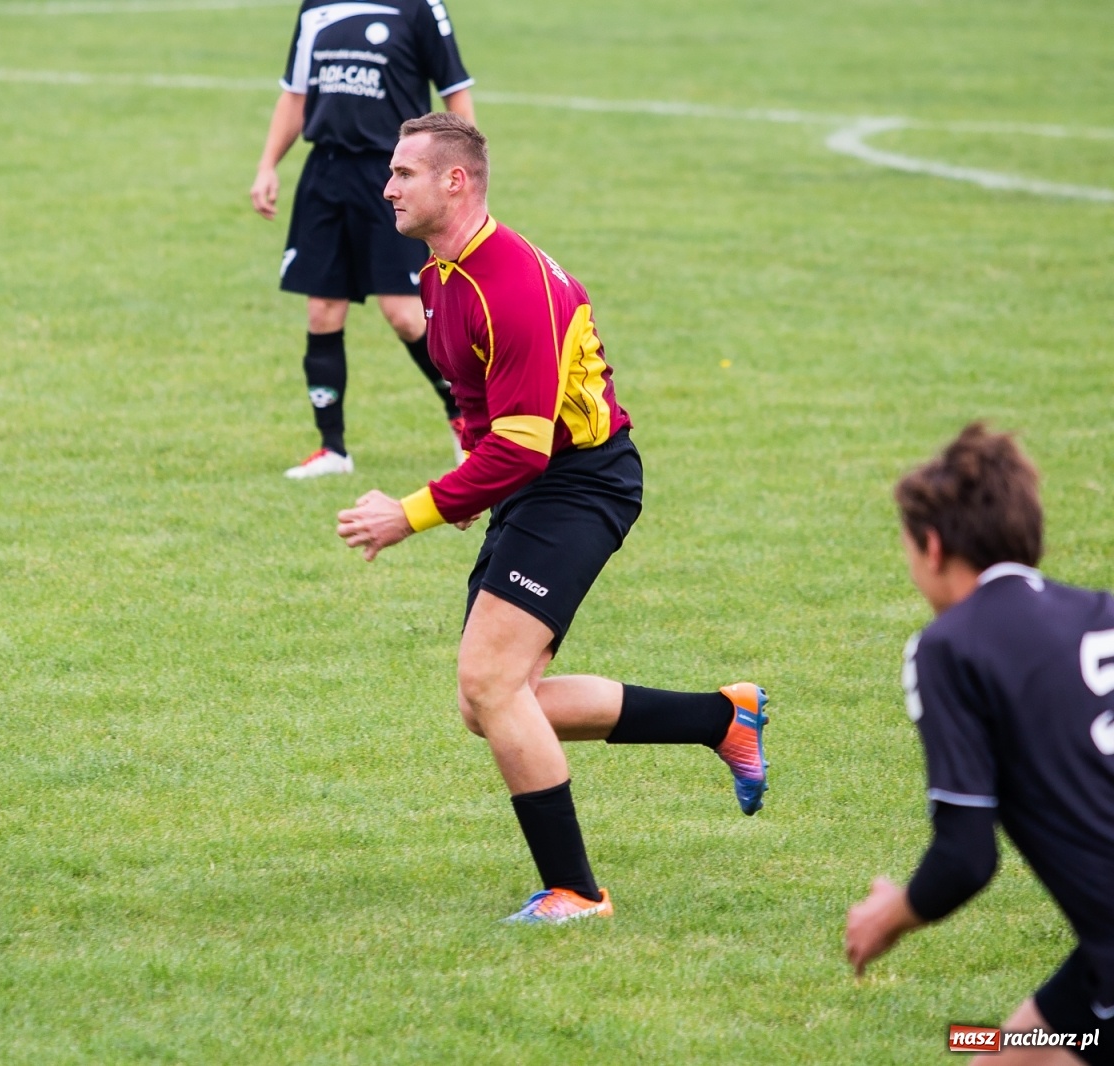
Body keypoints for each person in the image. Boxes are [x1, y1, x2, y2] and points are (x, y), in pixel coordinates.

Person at [335, 112, 772, 923]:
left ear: (454, 182)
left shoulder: (512, 284)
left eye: (404, 173)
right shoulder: (439, 275)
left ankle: (576, 892)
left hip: (582, 484)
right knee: (488, 703)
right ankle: (723, 716)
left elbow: (527, 451)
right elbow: (475, 401)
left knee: (491, 683)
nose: (387, 185)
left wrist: (414, 512)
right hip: (533, 483)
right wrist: (469, 479)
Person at [846, 424, 1114, 1066]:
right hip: (1099, 957)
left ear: (932, 547)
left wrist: (890, 916)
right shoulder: (1101, 610)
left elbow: (966, 857)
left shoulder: (950, 649)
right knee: (994, 1049)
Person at [252, 0, 477, 479]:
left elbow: (454, 91)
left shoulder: (419, 8)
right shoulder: (316, 9)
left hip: (393, 173)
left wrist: (466, 176)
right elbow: (295, 97)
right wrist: (267, 165)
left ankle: (467, 421)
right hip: (325, 174)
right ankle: (332, 448)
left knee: (404, 313)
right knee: (322, 310)